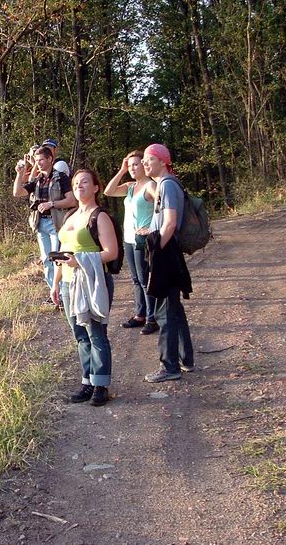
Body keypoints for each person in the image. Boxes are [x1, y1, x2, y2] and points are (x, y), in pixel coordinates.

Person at [51, 169, 118, 406]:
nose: (79, 186)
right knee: (80, 336)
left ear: (96, 188)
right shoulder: (70, 215)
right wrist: (56, 282)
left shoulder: (99, 216)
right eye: (76, 182)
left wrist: (80, 260)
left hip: (92, 282)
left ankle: (101, 385)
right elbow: (63, 253)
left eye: (85, 182)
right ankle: (87, 381)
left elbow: (111, 253)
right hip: (69, 282)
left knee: (96, 334)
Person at [141, 145, 195, 383]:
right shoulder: (166, 184)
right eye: (143, 159)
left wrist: (156, 252)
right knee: (173, 309)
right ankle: (185, 359)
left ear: (163, 161)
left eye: (149, 159)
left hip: (166, 252)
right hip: (168, 250)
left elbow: (170, 222)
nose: (144, 163)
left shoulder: (167, 185)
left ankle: (169, 366)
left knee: (164, 312)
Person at [104, 151, 158, 335]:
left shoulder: (150, 186)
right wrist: (121, 170)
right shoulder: (129, 186)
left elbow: (163, 205)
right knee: (135, 279)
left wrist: (152, 228)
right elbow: (108, 191)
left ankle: (152, 319)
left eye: (137, 164)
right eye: (130, 165)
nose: (133, 168)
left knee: (144, 279)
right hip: (128, 238)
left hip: (142, 240)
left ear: (144, 165)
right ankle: (140, 315)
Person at [13, 145, 76, 297]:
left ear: (50, 159)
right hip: (40, 224)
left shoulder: (61, 177)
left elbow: (72, 200)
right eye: (36, 160)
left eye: (41, 159)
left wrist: (52, 204)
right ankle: (54, 294)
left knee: (57, 259)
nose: (38, 163)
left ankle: (63, 294)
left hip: (57, 224)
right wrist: (20, 174)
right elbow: (17, 192)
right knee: (46, 260)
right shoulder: (37, 180)